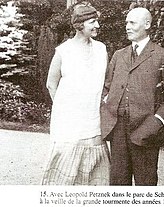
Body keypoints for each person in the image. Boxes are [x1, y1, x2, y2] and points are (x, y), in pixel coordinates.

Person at [101, 7, 164, 186]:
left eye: (132, 23)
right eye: (126, 23)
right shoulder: (118, 55)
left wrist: (157, 121)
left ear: (147, 24)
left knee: (146, 185)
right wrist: (108, 111)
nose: (127, 27)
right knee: (118, 186)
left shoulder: (162, 56)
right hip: (118, 130)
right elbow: (106, 88)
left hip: (146, 130)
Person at [42, 2, 110, 185]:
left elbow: (106, 83)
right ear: (80, 25)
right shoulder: (64, 51)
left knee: (95, 176)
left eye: (97, 21)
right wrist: (64, 110)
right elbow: (51, 84)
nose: (97, 26)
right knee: (65, 176)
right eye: (93, 22)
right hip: (69, 121)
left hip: (94, 118)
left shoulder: (101, 49)